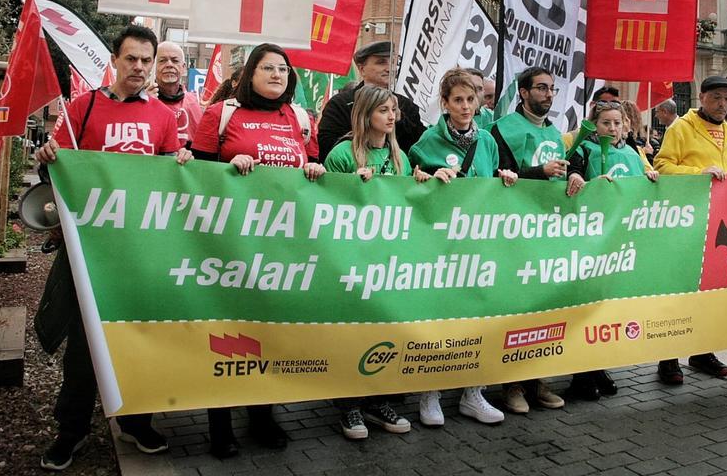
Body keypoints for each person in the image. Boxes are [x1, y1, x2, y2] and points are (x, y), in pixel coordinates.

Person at [34, 24, 191, 472]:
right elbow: (59, 168)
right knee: (85, 343)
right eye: (132, 59)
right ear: (116, 60)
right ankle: (72, 429)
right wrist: (48, 156)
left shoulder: (163, 115)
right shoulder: (83, 109)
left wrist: (181, 161)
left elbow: (168, 180)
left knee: (139, 336)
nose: (139, 68)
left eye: (147, 60)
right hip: (91, 250)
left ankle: (136, 422)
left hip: (142, 250)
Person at [191, 44, 325, 458]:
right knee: (226, 331)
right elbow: (195, 173)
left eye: (283, 69)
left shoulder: (301, 119)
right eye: (267, 67)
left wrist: (314, 170)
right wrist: (229, 169)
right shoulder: (223, 114)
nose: (276, 74)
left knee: (269, 331)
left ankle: (263, 416)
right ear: (249, 73)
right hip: (229, 243)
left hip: (282, 247)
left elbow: (314, 171)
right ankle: (219, 426)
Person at [407, 68, 516, 427]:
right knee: (438, 318)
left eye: (472, 99)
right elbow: (409, 188)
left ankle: (473, 392)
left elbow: (491, 179)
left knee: (477, 315)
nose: (466, 106)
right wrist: (426, 178)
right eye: (458, 100)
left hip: (479, 243)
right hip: (441, 245)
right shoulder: (426, 142)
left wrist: (504, 178)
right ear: (445, 103)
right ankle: (430, 393)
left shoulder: (487, 141)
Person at [323, 87, 412, 440]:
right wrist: (353, 189)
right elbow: (327, 204)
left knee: (383, 331)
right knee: (352, 331)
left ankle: (377, 400)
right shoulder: (344, 154)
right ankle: (348, 405)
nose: (391, 116)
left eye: (394, 110)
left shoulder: (398, 155)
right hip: (350, 259)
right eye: (383, 111)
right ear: (365, 114)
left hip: (385, 259)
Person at [565, 99, 658, 399]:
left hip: (618, 241)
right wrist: (583, 181)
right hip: (590, 240)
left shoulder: (632, 152)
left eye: (617, 123)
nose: (613, 128)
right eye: (607, 123)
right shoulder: (583, 149)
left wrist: (650, 178)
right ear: (595, 125)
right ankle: (582, 373)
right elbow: (571, 179)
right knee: (587, 306)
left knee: (608, 307)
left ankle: (600, 366)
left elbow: (639, 183)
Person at [652, 75, 727, 386]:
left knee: (710, 290)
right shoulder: (682, 128)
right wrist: (697, 173)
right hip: (685, 223)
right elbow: (662, 166)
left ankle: (702, 350)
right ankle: (668, 357)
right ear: (701, 97)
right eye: (717, 97)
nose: (723, 104)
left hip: (719, 225)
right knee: (679, 290)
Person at [490, 66, 570, 414]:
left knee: (543, 307)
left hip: (549, 232)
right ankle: (511, 385)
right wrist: (539, 173)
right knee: (517, 308)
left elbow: (571, 169)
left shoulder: (555, 132)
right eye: (541, 88)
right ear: (523, 93)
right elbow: (497, 177)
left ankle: (538, 380)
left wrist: (575, 176)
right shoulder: (502, 130)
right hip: (515, 232)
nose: (548, 94)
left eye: (552, 88)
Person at [317, 41, 424, 160]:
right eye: (381, 62)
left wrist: (401, 120)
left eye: (393, 62)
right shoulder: (341, 104)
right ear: (362, 69)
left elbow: (418, 148)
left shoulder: (406, 106)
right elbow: (326, 146)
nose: (389, 69)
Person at [154, 41, 203, 146]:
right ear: (153, 66)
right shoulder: (142, 100)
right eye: (162, 61)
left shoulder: (197, 103)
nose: (169, 65)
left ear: (184, 67)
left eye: (175, 61)